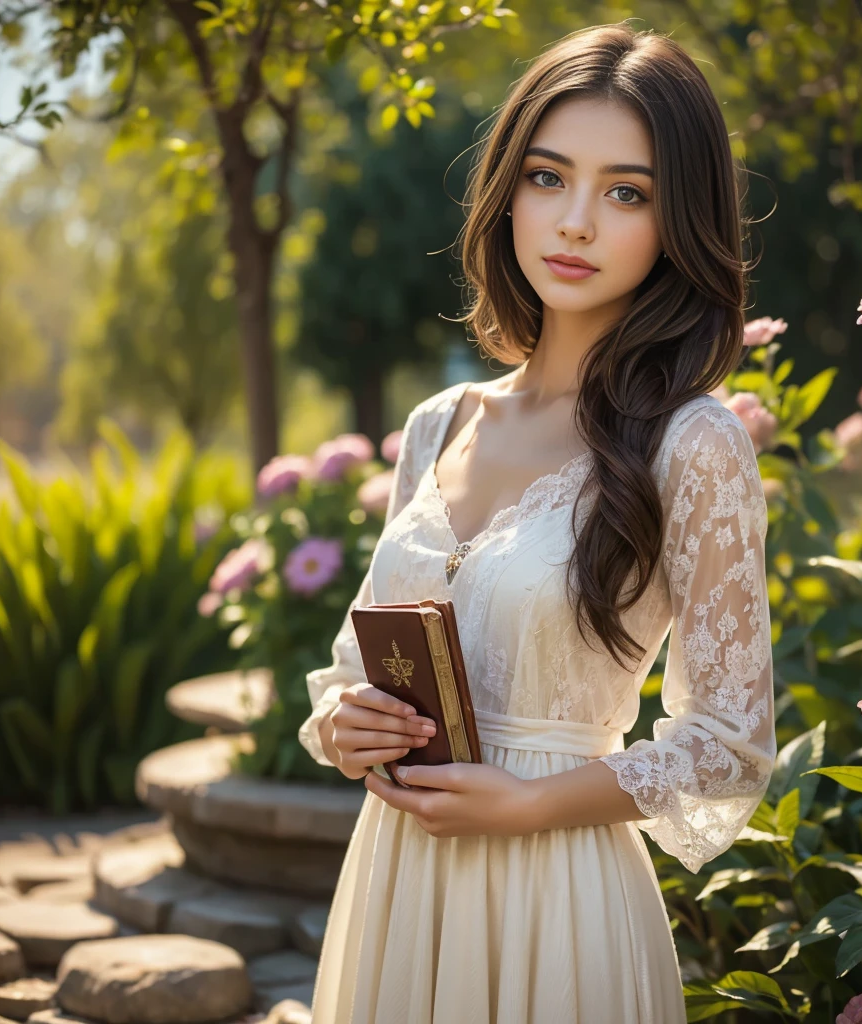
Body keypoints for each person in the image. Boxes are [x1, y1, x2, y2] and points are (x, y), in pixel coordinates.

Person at [298, 22, 776, 1024]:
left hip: (559, 894)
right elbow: (356, 659)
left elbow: (729, 742)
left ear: (675, 218)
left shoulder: (692, 442)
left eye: (626, 192)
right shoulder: (439, 426)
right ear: (508, 190)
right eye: (549, 178)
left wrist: (531, 802)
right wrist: (346, 723)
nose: (576, 222)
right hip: (396, 885)